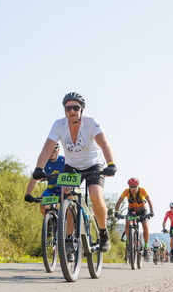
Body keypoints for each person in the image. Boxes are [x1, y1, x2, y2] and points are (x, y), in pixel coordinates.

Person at [32, 92, 117, 252]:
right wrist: (38, 168)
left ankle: (103, 233)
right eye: (68, 108)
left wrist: (111, 164)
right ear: (64, 110)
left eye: (76, 108)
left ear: (82, 109)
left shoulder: (91, 122)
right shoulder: (59, 125)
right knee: (67, 198)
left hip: (94, 164)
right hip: (72, 167)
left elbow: (104, 143)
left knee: (96, 195)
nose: (72, 111)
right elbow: (47, 147)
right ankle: (69, 239)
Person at [24, 143, 65, 216]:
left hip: (64, 188)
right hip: (51, 190)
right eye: (49, 151)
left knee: (67, 205)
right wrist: (28, 194)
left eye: (54, 151)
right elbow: (34, 178)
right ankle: (49, 221)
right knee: (42, 205)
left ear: (58, 150)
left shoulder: (63, 160)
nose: (51, 154)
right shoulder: (44, 162)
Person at [114, 178, 154, 250]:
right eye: (131, 187)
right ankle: (128, 239)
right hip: (131, 210)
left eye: (135, 186)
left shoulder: (142, 190)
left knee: (145, 225)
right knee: (127, 223)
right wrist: (116, 212)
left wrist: (151, 211)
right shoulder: (126, 191)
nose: (133, 188)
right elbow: (119, 202)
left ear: (138, 186)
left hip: (142, 210)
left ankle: (146, 244)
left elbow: (149, 200)